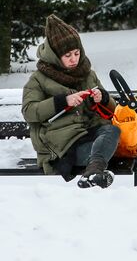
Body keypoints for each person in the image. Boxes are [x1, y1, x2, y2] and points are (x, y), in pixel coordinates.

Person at [21, 14, 120, 188]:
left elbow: (113, 110)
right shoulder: (38, 79)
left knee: (112, 131)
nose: (74, 59)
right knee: (105, 146)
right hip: (62, 150)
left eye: (76, 53)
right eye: (68, 55)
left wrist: (103, 98)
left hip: (91, 136)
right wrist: (62, 101)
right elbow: (29, 111)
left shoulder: (87, 74)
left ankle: (93, 172)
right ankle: (94, 172)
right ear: (55, 56)